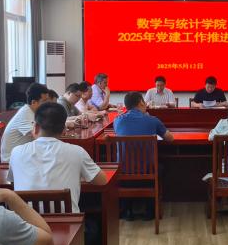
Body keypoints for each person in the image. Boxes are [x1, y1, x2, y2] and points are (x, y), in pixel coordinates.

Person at [10, 102, 107, 210]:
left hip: (24, 220)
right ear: (64, 130)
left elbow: (13, 181)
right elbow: (102, 181)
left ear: (36, 127)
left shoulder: (16, 152)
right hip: (66, 220)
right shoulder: (77, 152)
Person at [113, 92, 175, 220]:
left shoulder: (117, 120)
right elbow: (170, 138)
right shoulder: (152, 120)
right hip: (148, 175)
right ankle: (150, 210)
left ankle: (127, 211)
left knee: (129, 162)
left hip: (123, 174)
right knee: (161, 167)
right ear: (141, 102)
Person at [0, 82, 51, 162]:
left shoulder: (32, 112)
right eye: (44, 101)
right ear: (34, 102)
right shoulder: (25, 115)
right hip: (11, 161)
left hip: (23, 156)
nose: (47, 105)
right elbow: (41, 136)